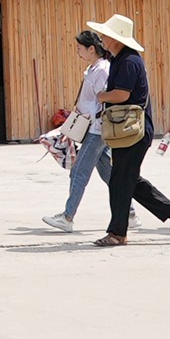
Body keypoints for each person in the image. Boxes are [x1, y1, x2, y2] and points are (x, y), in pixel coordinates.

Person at [84, 14, 170, 245]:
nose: (102, 38)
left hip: (133, 130)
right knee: (126, 178)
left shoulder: (129, 61)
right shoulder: (120, 58)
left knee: (120, 180)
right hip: (125, 130)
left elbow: (122, 94)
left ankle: (118, 232)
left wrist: (101, 96)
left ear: (116, 38)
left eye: (106, 35)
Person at [42, 27, 114, 233]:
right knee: (108, 172)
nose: (78, 52)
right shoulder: (94, 69)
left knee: (79, 171)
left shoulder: (101, 70)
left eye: (79, 48)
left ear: (91, 49)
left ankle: (67, 216)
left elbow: (101, 100)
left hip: (96, 129)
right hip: (91, 127)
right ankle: (130, 211)